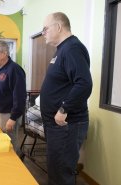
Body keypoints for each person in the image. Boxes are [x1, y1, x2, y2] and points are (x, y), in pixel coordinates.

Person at [40, 12, 93, 185]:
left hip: (66, 124)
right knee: (56, 170)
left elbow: (84, 83)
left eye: (45, 28)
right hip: (57, 126)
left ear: (59, 27)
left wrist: (64, 109)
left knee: (61, 173)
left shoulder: (72, 48)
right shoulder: (62, 50)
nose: (43, 33)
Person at [0, 40, 26, 156]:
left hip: (9, 115)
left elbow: (20, 97)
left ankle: (19, 164)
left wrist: (13, 118)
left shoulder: (15, 70)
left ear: (5, 53)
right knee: (2, 143)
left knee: (11, 144)